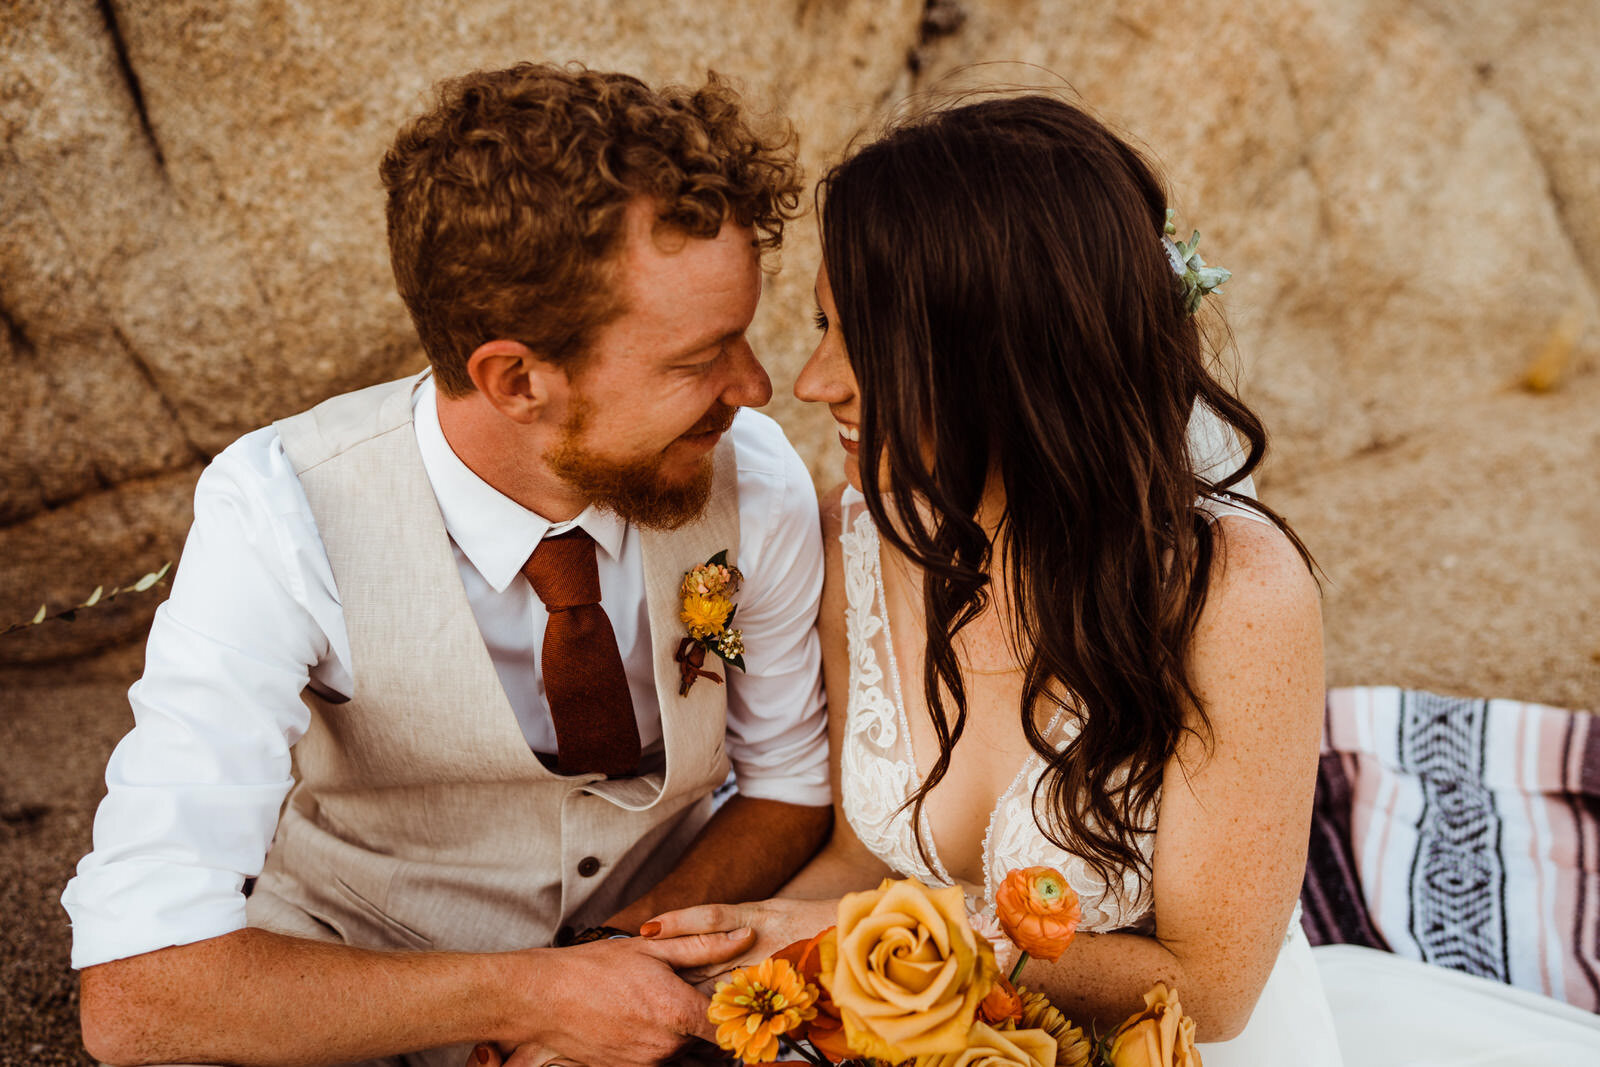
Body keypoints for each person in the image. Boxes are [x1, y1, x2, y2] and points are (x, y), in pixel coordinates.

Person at [61, 62, 834, 1067]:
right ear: (514, 378)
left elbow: (787, 786)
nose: (759, 388)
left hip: (656, 957)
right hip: (356, 985)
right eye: (697, 360)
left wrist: (611, 969)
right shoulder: (279, 510)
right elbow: (137, 992)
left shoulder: (751, 478)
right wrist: (524, 997)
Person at [644, 93, 1343, 1064]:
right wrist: (691, 955)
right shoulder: (861, 534)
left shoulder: (1236, 596)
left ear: (999, 360)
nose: (812, 381)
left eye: (863, 344)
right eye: (821, 325)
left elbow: (1211, 987)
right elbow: (859, 856)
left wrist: (842, 944)